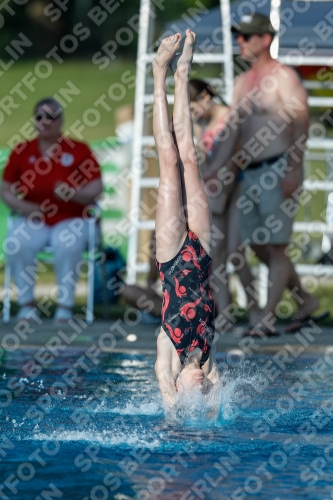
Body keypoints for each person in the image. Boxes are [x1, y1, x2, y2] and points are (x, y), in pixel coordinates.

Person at [202, 12, 324, 336]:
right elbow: (232, 131)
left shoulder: (284, 77)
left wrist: (294, 168)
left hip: (279, 165)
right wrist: (214, 169)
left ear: (264, 39)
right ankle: (305, 301)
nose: (239, 41)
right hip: (250, 173)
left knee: (276, 245)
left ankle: (266, 319)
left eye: (246, 36)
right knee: (257, 244)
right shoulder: (243, 83)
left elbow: (300, 122)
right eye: (239, 36)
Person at [152, 30, 219, 408]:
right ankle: (183, 74)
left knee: (169, 161)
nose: (203, 384)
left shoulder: (170, 349)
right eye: (204, 387)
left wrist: (172, 406)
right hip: (204, 252)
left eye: (198, 388)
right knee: (190, 157)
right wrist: (213, 408)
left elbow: (161, 378)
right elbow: (220, 387)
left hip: (173, 256)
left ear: (181, 384)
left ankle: (160, 71)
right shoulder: (209, 357)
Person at [1, 97, 103, 322]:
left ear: (60, 121)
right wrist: (25, 207)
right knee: (17, 241)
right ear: (34, 121)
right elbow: (5, 188)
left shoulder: (78, 150)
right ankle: (26, 305)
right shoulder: (22, 150)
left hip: (71, 216)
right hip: (35, 216)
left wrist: (72, 193)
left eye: (51, 116)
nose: (45, 121)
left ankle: (65, 307)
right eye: (40, 116)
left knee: (67, 242)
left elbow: (96, 188)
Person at [189, 79, 259, 330]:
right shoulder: (201, 124)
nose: (192, 115)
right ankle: (224, 315)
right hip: (216, 191)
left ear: (206, 99)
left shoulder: (230, 118)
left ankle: (255, 311)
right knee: (216, 254)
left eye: (193, 108)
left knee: (236, 253)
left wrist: (220, 192)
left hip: (237, 187)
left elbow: (234, 161)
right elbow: (204, 162)